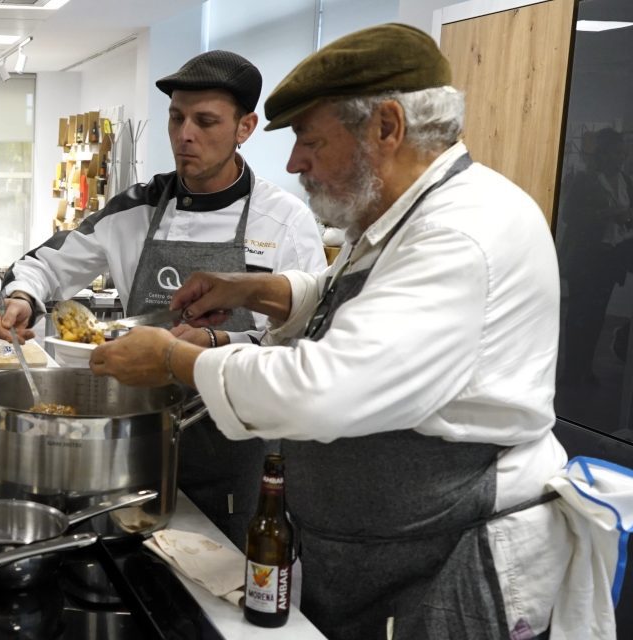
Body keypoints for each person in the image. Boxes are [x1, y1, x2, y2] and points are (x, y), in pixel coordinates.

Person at [92, 24, 570, 638]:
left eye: (310, 141)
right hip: (374, 549)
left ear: (387, 127)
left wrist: (172, 360)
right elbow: (355, 295)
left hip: (442, 555)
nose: (293, 163)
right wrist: (260, 289)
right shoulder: (404, 214)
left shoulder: (461, 234)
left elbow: (324, 388)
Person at [0, 50, 326, 547]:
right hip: (131, 441)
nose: (184, 134)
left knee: (214, 597)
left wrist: (213, 341)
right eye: (176, 117)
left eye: (205, 121)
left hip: (233, 447)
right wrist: (21, 297)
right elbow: (44, 265)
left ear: (245, 127)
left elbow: (306, 343)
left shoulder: (284, 221)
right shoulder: (134, 208)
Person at [559, 128, 631, 384]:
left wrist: (626, 218)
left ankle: (585, 369)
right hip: (585, 259)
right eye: (616, 151)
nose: (621, 156)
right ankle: (570, 372)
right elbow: (569, 216)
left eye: (622, 151)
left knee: (597, 318)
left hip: (610, 261)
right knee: (579, 317)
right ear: (603, 153)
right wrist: (607, 214)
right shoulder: (584, 179)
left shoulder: (625, 180)